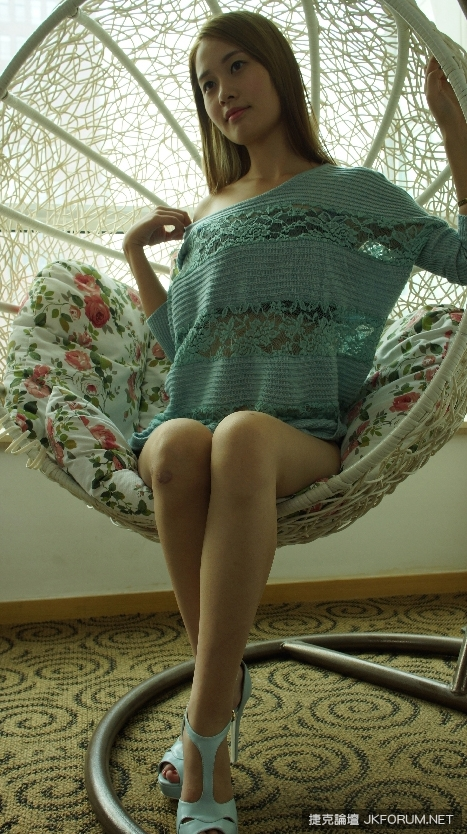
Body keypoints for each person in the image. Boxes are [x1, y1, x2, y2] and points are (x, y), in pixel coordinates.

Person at [122, 11, 467, 834]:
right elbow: (183, 342)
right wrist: (138, 259)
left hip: (296, 433)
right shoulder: (209, 214)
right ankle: (221, 686)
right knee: (174, 446)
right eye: (206, 83)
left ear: (277, 69)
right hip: (197, 416)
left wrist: (453, 129)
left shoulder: (358, 195)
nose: (221, 92)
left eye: (236, 67)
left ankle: (204, 740)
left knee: (240, 435)